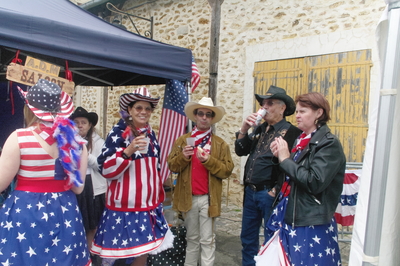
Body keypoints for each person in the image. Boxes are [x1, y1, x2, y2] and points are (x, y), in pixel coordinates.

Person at [0, 79, 90, 265]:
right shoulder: (76, 142)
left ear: (29, 108)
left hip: (27, 211)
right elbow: (78, 189)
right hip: (64, 212)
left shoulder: (19, 137)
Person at [91, 87, 174, 266]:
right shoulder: (118, 133)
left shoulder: (151, 134)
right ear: (129, 110)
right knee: (119, 258)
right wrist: (128, 151)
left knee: (142, 255)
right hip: (124, 209)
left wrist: (159, 200)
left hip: (148, 208)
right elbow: (105, 168)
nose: (143, 112)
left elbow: (155, 171)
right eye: (139, 108)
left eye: (147, 108)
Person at [264, 92, 346, 265]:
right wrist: (279, 156)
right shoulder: (301, 140)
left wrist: (285, 159)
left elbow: (313, 182)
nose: (297, 116)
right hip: (291, 213)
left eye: (303, 111)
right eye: (297, 111)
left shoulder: (329, 144)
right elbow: (291, 176)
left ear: (319, 113)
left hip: (310, 220)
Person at [235, 85, 301, 266]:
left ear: (282, 108)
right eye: (263, 104)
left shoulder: (293, 133)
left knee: (272, 238)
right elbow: (241, 151)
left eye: (270, 103)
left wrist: (276, 189)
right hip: (250, 192)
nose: (264, 108)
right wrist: (244, 128)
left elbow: (293, 165)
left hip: (270, 193)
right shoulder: (260, 129)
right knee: (247, 238)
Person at [168, 97, 234, 266]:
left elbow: (227, 170)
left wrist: (208, 160)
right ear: (195, 116)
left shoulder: (220, 144)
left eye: (208, 114)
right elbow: (172, 165)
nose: (204, 117)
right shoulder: (183, 141)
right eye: (201, 114)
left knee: (207, 240)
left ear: (212, 118)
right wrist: (183, 157)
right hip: (188, 197)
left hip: (208, 198)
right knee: (192, 239)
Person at [70, 107, 107, 253]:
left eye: (83, 122)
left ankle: (91, 257)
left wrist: (84, 152)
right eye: (76, 122)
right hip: (75, 188)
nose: (80, 125)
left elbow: (102, 166)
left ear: (90, 125)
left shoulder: (98, 142)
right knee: (76, 226)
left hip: (93, 189)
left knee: (92, 227)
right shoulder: (67, 141)